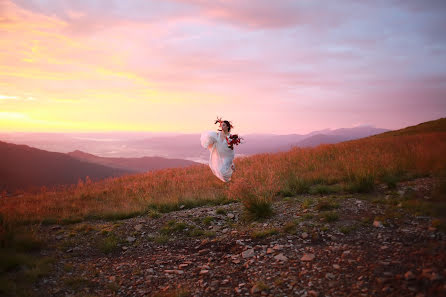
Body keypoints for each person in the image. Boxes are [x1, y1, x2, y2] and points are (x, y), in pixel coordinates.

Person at [200, 117, 242, 182]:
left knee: (223, 172)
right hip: (220, 155)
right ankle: (231, 167)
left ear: (228, 127)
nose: (222, 126)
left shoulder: (230, 136)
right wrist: (207, 144)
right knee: (218, 169)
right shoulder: (217, 134)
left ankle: (230, 178)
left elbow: (232, 148)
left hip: (228, 155)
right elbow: (211, 139)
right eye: (221, 125)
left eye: (224, 125)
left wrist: (230, 145)